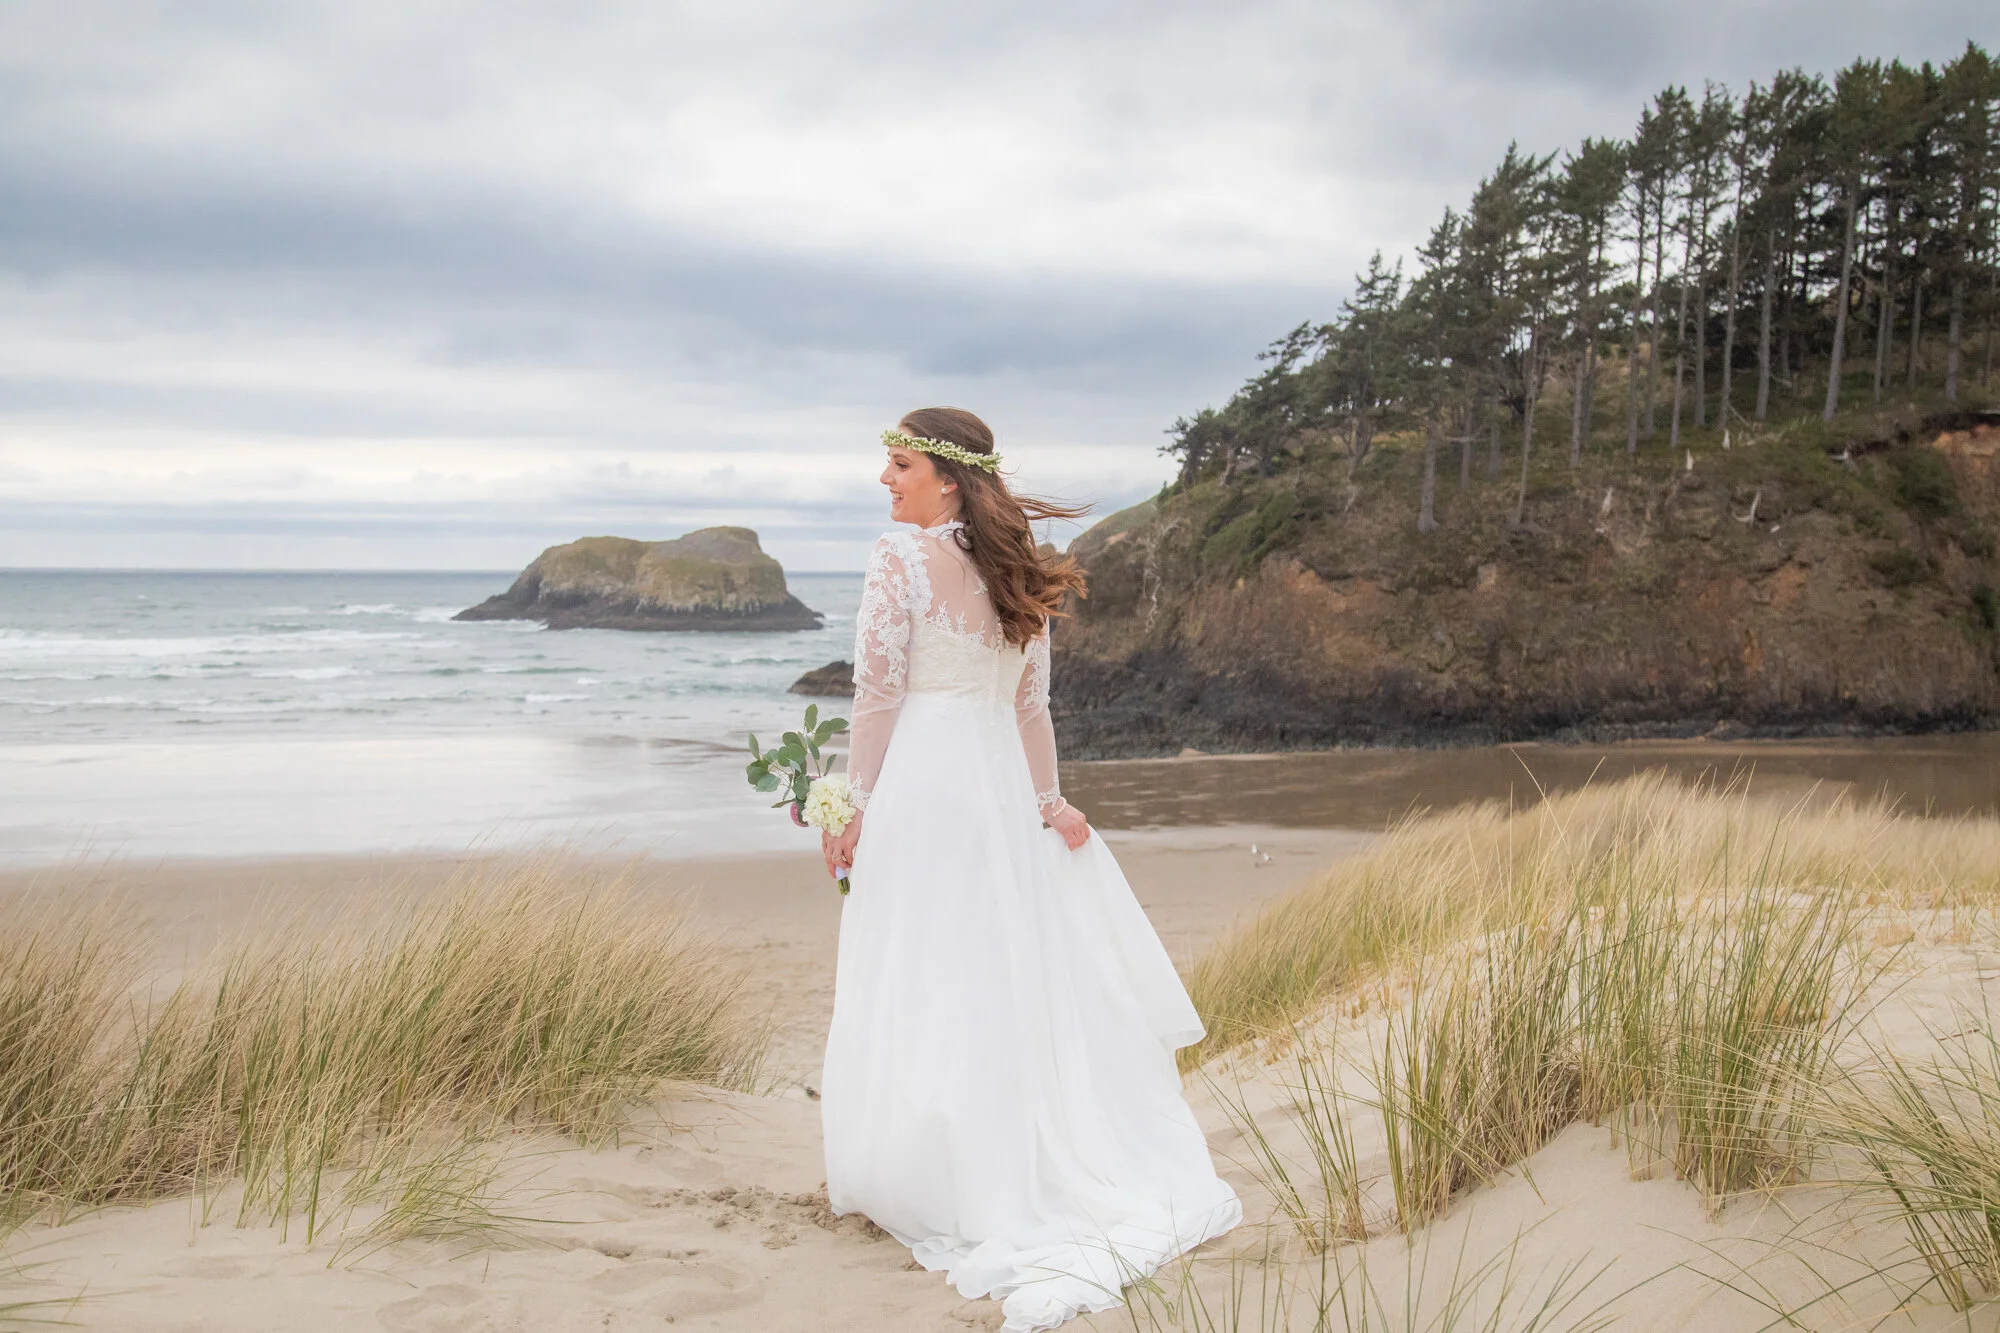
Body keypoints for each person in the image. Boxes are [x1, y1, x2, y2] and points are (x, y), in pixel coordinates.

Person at [817, 407, 1240, 1331]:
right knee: (993, 972)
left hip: (927, 793)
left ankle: (933, 1168)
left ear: (950, 477)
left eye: (899, 465)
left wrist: (850, 804)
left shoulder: (898, 560)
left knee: (922, 968)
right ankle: (993, 1157)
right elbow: (1030, 713)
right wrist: (1047, 804)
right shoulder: (1020, 573)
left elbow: (878, 694)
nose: (885, 481)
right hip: (998, 797)